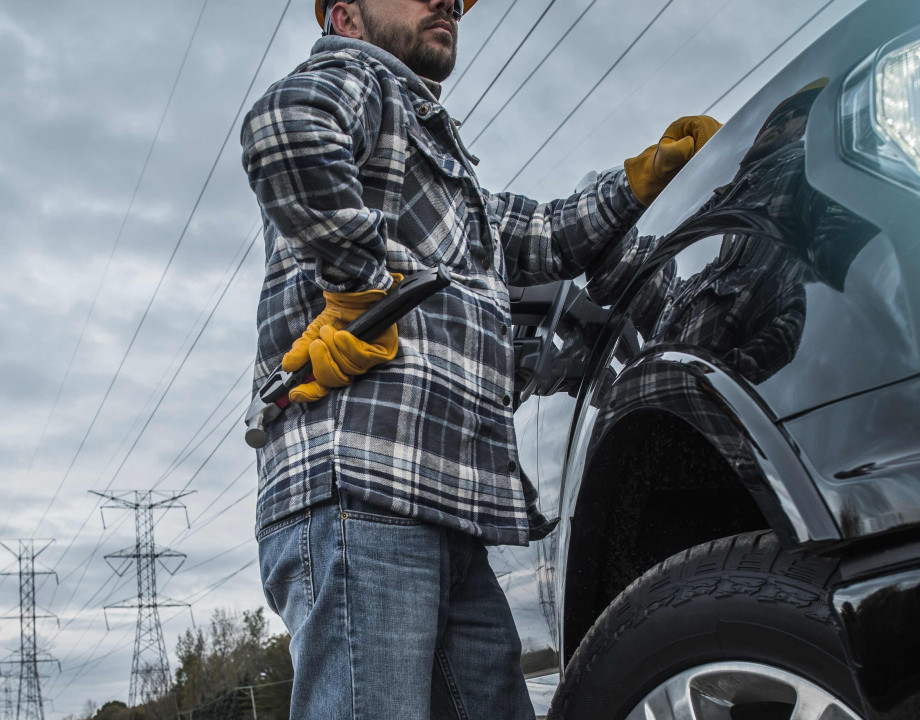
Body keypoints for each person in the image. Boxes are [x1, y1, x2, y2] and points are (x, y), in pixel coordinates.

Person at [238, 0, 720, 717]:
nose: (445, 2)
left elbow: (542, 237)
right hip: (357, 484)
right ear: (345, 18)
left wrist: (639, 179)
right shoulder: (359, 78)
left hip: (443, 501)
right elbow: (285, 128)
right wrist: (359, 288)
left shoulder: (436, 160)